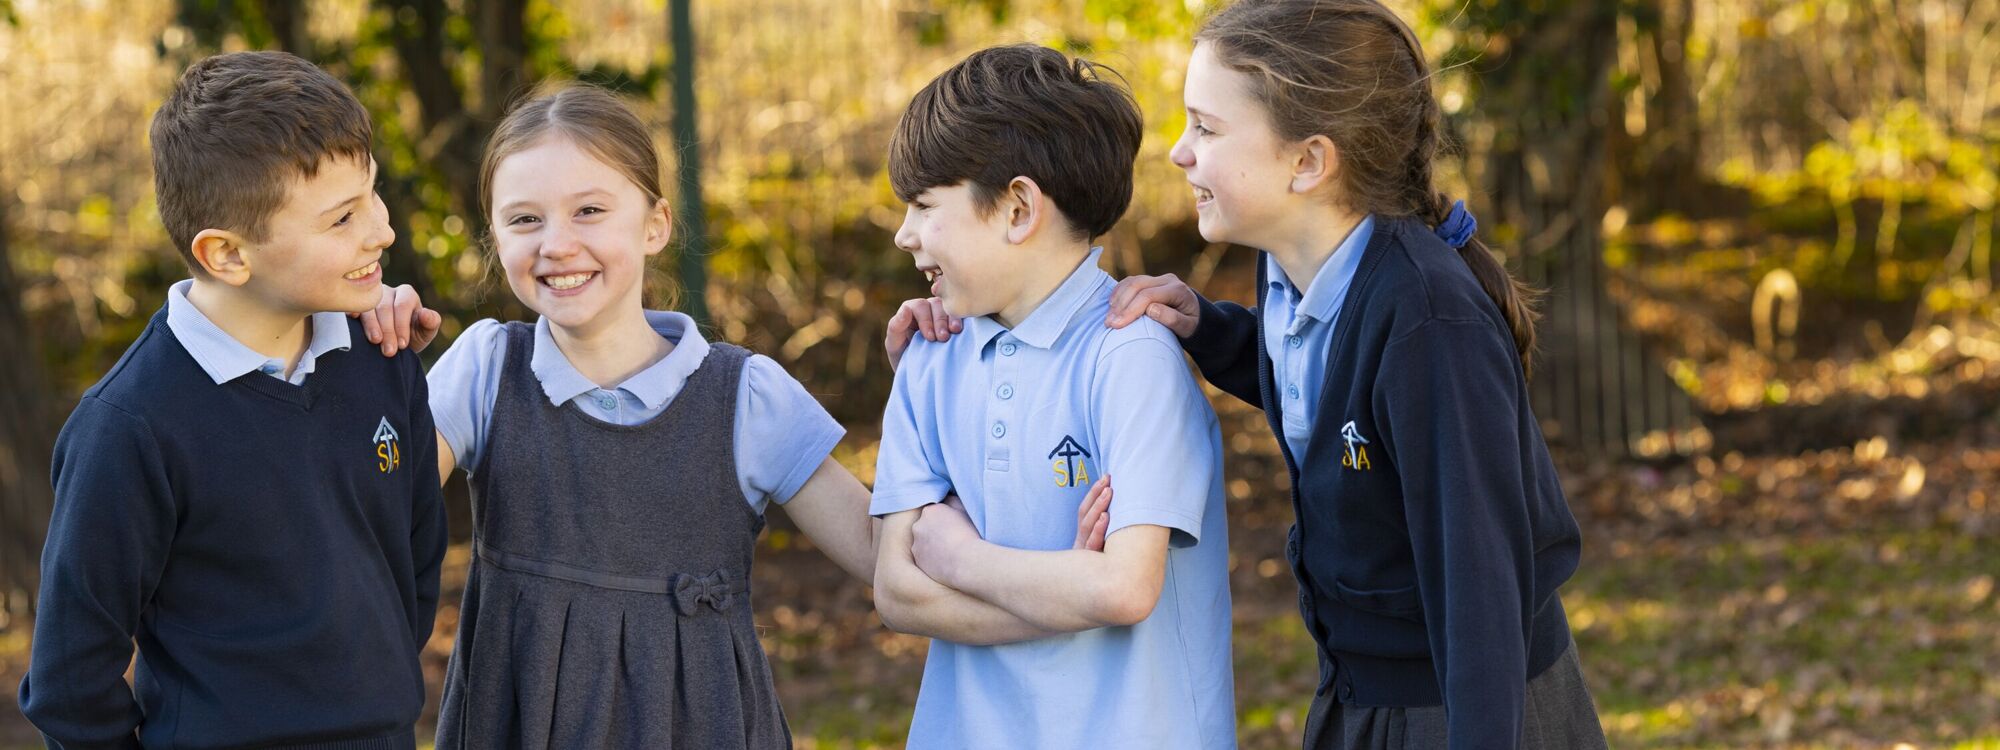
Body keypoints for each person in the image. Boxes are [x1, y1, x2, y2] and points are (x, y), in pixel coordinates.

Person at [422, 83, 876, 748]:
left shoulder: (745, 396)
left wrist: (943, 367)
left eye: (589, 210)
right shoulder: (485, 370)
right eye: (524, 220)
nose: (556, 244)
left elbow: (881, 553)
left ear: (656, 223)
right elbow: (367, 508)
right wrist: (350, 342)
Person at [20, 50, 447, 749]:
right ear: (226, 255)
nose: (381, 230)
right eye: (341, 219)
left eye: (372, 193)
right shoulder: (129, 428)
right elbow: (71, 683)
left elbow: (415, 560)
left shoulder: (384, 358)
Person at [870, 44, 1237, 749]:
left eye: (922, 205)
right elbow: (897, 592)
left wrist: (959, 560)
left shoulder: (1131, 355)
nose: (904, 233)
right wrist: (1069, 584)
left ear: (1017, 208)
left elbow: (1125, 590)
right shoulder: (927, 356)